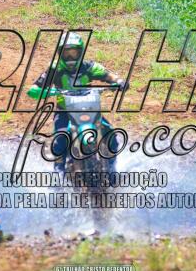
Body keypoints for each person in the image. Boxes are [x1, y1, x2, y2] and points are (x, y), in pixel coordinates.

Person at [27, 33, 127, 174]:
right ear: (60, 53)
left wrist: (119, 81)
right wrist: (48, 91)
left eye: (73, 53)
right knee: (60, 138)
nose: (70, 57)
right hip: (64, 112)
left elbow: (107, 74)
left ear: (80, 52)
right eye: (66, 53)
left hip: (89, 108)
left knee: (110, 133)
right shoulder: (55, 69)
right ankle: (58, 173)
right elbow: (33, 89)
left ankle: (112, 168)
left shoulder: (88, 67)